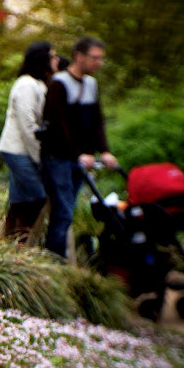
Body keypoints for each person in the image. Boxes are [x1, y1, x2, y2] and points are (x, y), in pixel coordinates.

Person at [40, 35, 118, 258]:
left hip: (79, 159)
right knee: (62, 212)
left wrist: (104, 150)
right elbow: (58, 124)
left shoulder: (91, 84)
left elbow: (96, 120)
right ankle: (55, 263)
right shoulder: (59, 84)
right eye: (94, 58)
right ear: (79, 56)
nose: (98, 63)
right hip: (58, 157)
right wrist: (78, 154)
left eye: (100, 58)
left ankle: (56, 259)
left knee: (67, 211)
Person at [0, 41, 57, 243]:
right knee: (36, 197)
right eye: (52, 56)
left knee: (20, 199)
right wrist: (40, 157)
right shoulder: (26, 85)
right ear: (42, 60)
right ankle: (19, 243)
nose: (56, 60)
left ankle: (6, 244)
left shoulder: (38, 85)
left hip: (23, 150)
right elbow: (28, 125)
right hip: (16, 150)